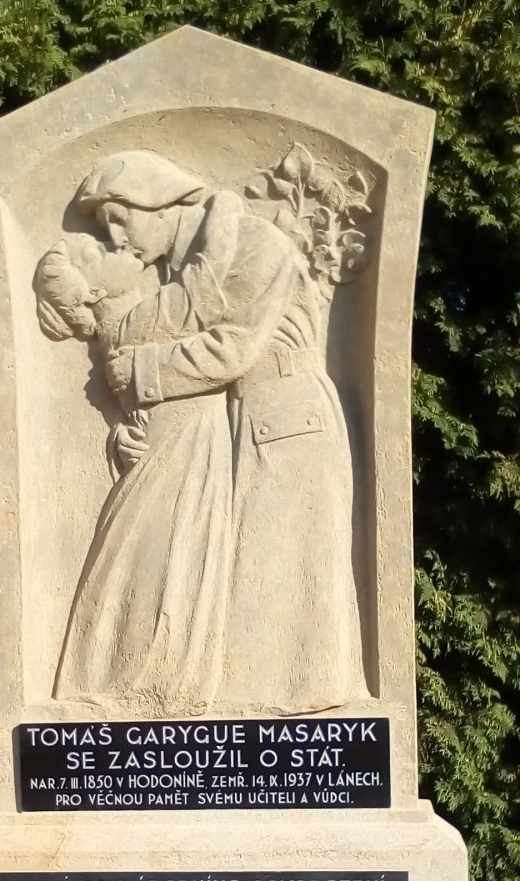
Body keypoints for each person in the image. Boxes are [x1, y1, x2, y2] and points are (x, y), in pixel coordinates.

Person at [76, 150, 369, 713]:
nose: (115, 237)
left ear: (158, 202)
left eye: (119, 217)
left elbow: (235, 347)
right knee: (246, 591)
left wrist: (140, 372)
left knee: (285, 581)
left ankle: (301, 719)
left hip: (288, 425)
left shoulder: (253, 244)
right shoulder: (184, 266)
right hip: (240, 423)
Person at [34, 230, 232, 713]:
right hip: (183, 441)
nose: (118, 246)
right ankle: (144, 683)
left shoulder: (132, 314)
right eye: (100, 253)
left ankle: (134, 679)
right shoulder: (141, 317)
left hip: (183, 438)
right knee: (158, 560)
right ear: (96, 290)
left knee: (155, 557)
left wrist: (119, 433)